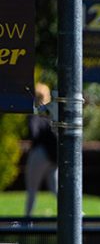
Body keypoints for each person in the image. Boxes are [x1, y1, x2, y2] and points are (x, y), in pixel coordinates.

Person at [24, 84, 58, 216]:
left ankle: (27, 220)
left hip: (40, 153)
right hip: (54, 155)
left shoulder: (36, 112)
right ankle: (76, 213)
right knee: (55, 187)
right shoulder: (52, 112)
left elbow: (34, 132)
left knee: (32, 189)